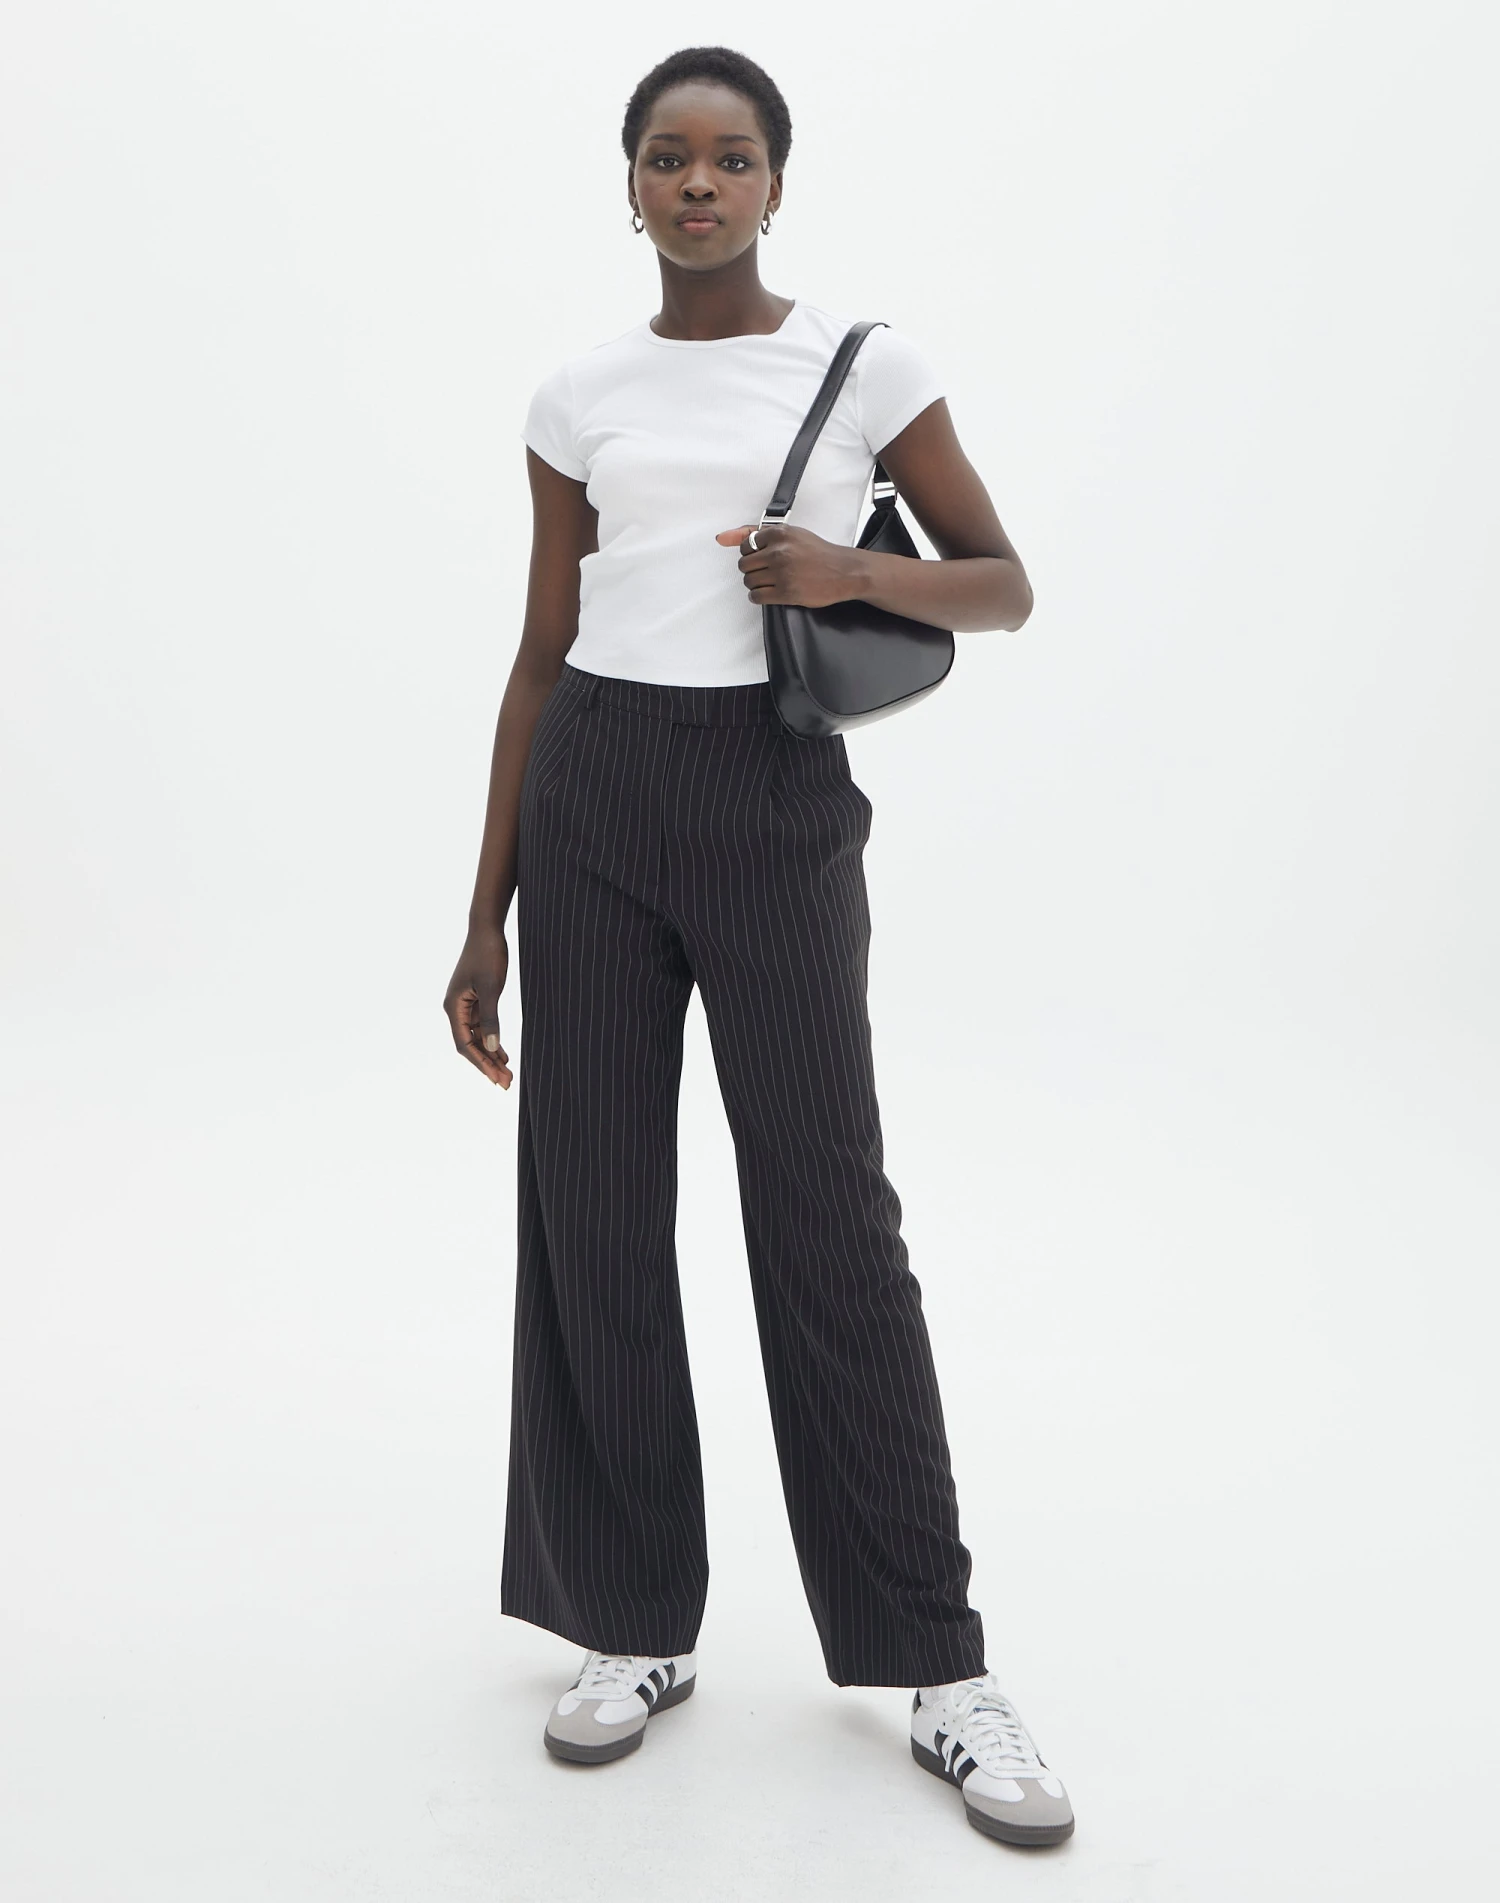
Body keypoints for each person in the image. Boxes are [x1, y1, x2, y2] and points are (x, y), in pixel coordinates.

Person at [442, 45, 1073, 1849]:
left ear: (777, 184)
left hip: (776, 804)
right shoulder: (579, 393)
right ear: (630, 185)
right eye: (669, 156)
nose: (700, 184)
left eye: (731, 158)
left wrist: (849, 570)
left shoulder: (867, 368)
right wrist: (483, 908)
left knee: (828, 1221)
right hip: (594, 800)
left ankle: (939, 1664)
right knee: (592, 1213)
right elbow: (539, 654)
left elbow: (1004, 583)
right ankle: (633, 1620)